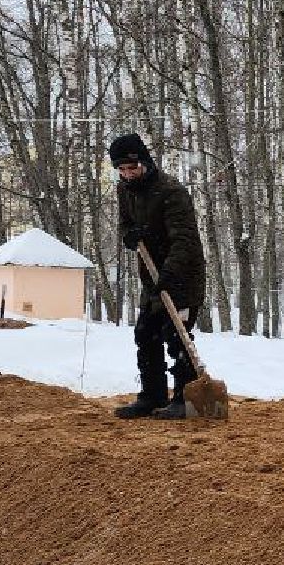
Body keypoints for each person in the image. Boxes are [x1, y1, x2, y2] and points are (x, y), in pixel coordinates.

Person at [110, 133, 207, 420]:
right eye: (122, 170)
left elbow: (185, 240)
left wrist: (169, 274)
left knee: (176, 334)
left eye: (132, 167)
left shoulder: (171, 191)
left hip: (182, 276)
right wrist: (130, 235)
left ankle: (185, 398)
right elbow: (126, 224)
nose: (128, 174)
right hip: (152, 276)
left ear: (145, 162)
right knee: (146, 333)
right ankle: (152, 395)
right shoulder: (125, 190)